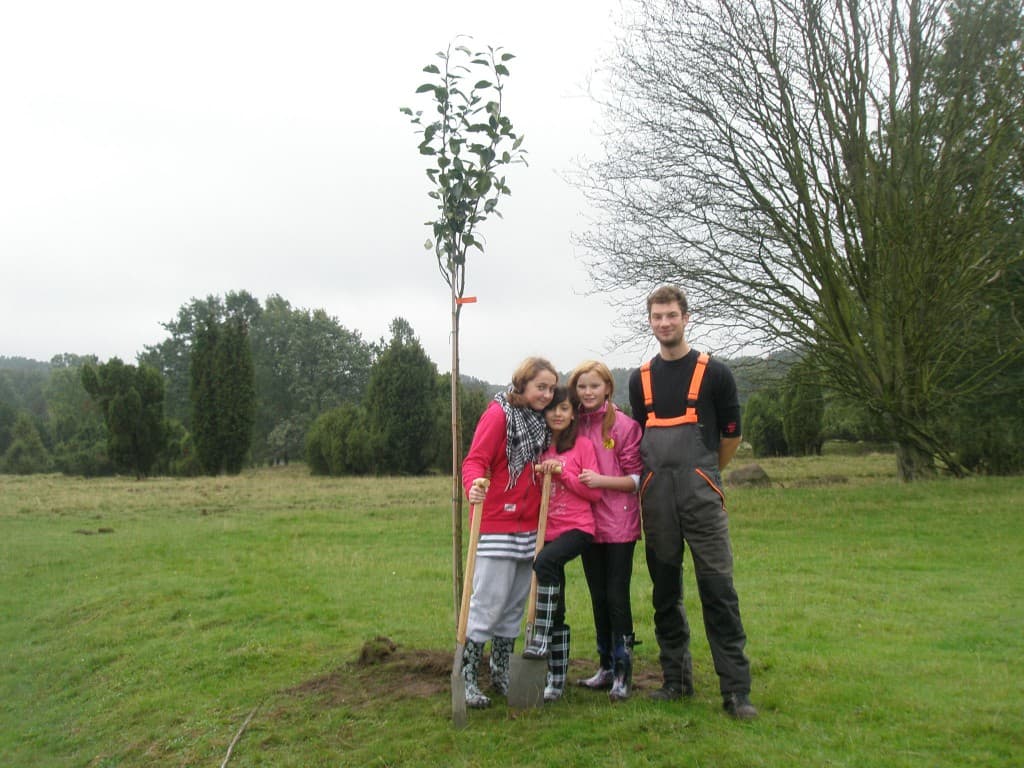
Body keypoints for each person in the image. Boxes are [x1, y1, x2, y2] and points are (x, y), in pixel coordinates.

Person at [627, 285, 758, 720]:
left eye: (671, 315)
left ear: (686, 317)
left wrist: (706, 474)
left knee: (718, 591)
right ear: (649, 321)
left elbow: (731, 435)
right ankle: (676, 681)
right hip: (657, 500)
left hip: (702, 497)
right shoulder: (639, 378)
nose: (664, 323)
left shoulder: (716, 374)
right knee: (665, 593)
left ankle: (736, 692)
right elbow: (644, 435)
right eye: (657, 316)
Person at [460, 357, 558, 709]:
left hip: (531, 525)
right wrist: (474, 486)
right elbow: (474, 460)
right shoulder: (499, 414)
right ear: (523, 384)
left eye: (550, 388)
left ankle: (501, 672)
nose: (546, 394)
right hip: (496, 523)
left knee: (515, 606)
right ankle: (468, 676)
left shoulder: (543, 422)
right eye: (540, 387)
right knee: (487, 603)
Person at [568, 360, 644, 701]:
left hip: (619, 524)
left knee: (617, 596)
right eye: (582, 386)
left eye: (594, 386)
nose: (587, 392)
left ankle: (624, 670)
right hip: (586, 523)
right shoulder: (573, 425)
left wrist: (601, 481)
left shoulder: (625, 427)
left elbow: (636, 479)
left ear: (608, 389)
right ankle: (605, 667)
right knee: (598, 596)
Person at [521, 385, 601, 702]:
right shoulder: (537, 447)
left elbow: (594, 493)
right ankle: (556, 677)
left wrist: (564, 473)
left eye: (564, 408)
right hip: (546, 530)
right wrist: (539, 472)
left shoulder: (581, 446)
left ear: (573, 414)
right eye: (552, 407)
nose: (557, 413)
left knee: (544, 563)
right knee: (558, 607)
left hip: (578, 528)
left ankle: (539, 639)